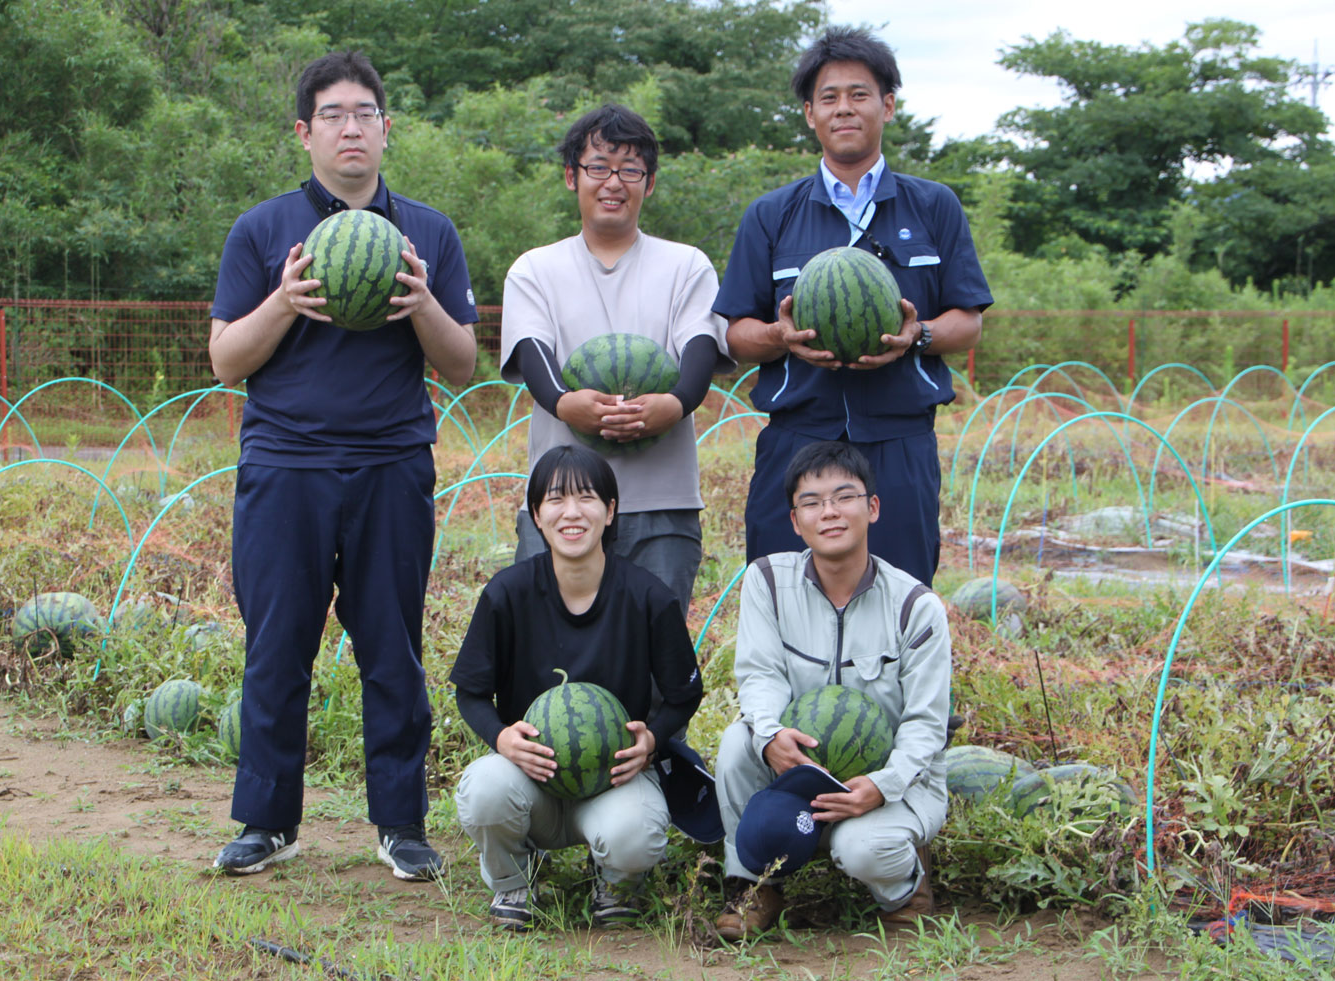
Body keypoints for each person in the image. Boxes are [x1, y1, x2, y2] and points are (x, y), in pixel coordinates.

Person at [206, 51, 478, 878]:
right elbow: (225, 360)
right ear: (305, 132)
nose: (351, 127)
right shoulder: (260, 230)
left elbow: (463, 364)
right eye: (333, 114)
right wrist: (283, 301)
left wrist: (424, 301)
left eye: (365, 113)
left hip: (393, 462)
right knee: (276, 644)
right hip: (284, 463)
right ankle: (267, 821)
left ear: (386, 130)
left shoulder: (428, 233)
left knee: (392, 647)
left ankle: (401, 824)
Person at [714, 27, 993, 587]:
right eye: (829, 97)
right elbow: (736, 334)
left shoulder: (934, 205)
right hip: (799, 435)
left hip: (899, 436)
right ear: (810, 114)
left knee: (901, 594)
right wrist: (781, 337)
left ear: (887, 105)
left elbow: (969, 321)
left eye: (860, 94)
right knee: (783, 594)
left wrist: (917, 336)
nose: (845, 108)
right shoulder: (771, 214)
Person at [450, 444, 704, 930]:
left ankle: (613, 880)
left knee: (634, 835)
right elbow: (471, 693)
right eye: (555, 500)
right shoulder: (507, 594)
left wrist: (652, 739)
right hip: (531, 779)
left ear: (610, 512)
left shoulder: (649, 597)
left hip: (615, 781)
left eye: (586, 498)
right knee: (484, 789)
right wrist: (502, 739)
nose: (571, 512)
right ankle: (513, 882)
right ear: (536, 516)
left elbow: (683, 693)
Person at [712, 441, 952, 939]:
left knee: (862, 849)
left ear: (873, 507)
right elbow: (759, 674)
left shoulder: (916, 606)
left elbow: (926, 724)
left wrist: (882, 786)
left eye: (844, 497)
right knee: (738, 743)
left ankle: (905, 892)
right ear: (796, 521)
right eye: (813, 502)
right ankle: (752, 884)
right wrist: (771, 734)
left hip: (890, 777)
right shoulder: (766, 582)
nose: (830, 512)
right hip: (797, 768)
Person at [500, 104, 732, 614]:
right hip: (559, 506)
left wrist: (674, 403)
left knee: (653, 666)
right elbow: (533, 353)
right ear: (571, 177)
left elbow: (700, 348)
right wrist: (565, 404)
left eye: (630, 170)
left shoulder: (687, 265)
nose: (613, 182)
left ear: (648, 183)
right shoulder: (534, 270)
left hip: (662, 508)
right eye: (598, 166)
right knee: (549, 662)